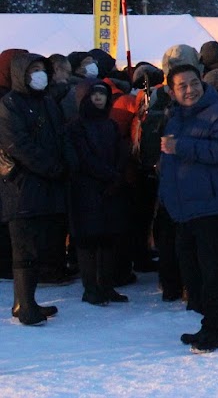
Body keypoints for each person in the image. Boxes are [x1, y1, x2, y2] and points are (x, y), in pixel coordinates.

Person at [159, 64, 218, 353]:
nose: (190, 90)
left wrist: (182, 146)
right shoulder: (176, 117)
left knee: (213, 272)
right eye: (183, 86)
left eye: (194, 83)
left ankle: (217, 330)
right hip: (184, 209)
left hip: (213, 206)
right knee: (194, 274)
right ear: (172, 91)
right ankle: (209, 325)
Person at [0, 52, 71, 325]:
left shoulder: (48, 102)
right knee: (23, 246)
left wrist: (63, 164)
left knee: (36, 245)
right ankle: (24, 304)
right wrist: (51, 167)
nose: (39, 75)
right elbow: (17, 144)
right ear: (20, 74)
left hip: (45, 184)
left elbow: (60, 135)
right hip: (21, 185)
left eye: (42, 69)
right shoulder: (10, 104)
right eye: (33, 70)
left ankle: (27, 301)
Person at [66, 80, 130, 306]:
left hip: (109, 189)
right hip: (86, 189)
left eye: (103, 94)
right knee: (88, 240)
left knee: (108, 238)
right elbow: (83, 158)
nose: (99, 98)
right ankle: (91, 287)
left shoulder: (110, 125)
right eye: (95, 94)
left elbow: (120, 152)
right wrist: (109, 175)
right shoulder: (77, 126)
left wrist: (117, 175)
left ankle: (106, 285)